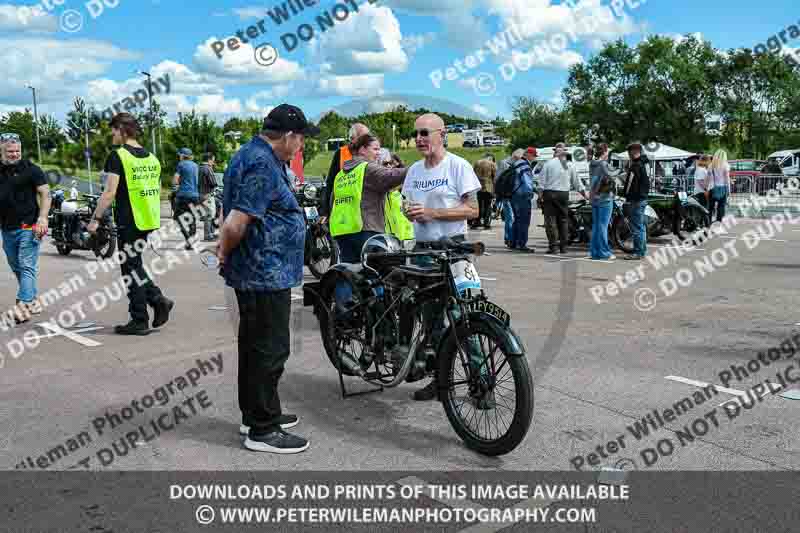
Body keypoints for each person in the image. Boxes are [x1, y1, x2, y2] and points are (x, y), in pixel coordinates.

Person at [216, 104, 320, 454]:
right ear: (289, 136)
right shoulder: (262, 163)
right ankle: (262, 429)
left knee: (255, 347)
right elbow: (235, 222)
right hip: (264, 272)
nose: (301, 146)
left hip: (262, 270)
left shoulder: (254, 154)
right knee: (270, 349)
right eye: (302, 139)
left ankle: (258, 413)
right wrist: (224, 252)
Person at [401, 113, 481, 401]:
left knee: (464, 316)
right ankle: (440, 379)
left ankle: (480, 382)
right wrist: (407, 211)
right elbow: (406, 203)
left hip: (454, 249)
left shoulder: (458, 166)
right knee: (431, 320)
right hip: (423, 251)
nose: (419, 139)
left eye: (425, 133)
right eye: (416, 134)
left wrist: (433, 213)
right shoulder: (413, 171)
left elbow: (473, 210)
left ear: (441, 134)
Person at [89, 113, 174, 334]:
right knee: (134, 264)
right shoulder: (151, 158)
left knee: (130, 269)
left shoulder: (118, 156)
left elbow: (109, 193)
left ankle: (140, 318)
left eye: (114, 131)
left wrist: (95, 219)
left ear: (122, 130)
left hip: (130, 218)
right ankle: (157, 300)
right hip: (148, 218)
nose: (112, 135)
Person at [329, 134, 409, 263]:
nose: (379, 153)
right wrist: (417, 168)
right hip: (366, 229)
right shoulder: (367, 168)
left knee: (350, 273)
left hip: (342, 231)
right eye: (375, 149)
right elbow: (390, 175)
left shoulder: (341, 174)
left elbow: (332, 201)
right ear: (362, 149)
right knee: (373, 273)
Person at [0, 133, 49, 323]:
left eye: (17, 151)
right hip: (7, 228)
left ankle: (24, 305)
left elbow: (45, 194)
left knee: (27, 265)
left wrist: (43, 219)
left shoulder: (31, 169)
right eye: (10, 151)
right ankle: (33, 298)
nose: (14, 154)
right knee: (16, 266)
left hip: (30, 226)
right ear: (2, 150)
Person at [540, 143, 588, 254]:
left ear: (556, 153)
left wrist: (540, 196)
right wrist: (585, 195)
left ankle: (553, 247)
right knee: (563, 220)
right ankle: (563, 247)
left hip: (550, 194)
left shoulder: (548, 164)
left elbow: (541, 184)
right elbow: (577, 183)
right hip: (563, 194)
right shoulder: (569, 165)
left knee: (551, 221)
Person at [322, 123, 370, 221]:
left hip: (366, 210)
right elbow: (331, 182)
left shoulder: (372, 153)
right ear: (352, 138)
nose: (368, 140)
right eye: (364, 137)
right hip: (344, 211)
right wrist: (326, 211)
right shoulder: (341, 153)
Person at [588, 143, 620, 260]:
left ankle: (594, 251)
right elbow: (613, 175)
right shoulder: (603, 164)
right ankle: (604, 252)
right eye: (607, 152)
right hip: (604, 198)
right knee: (603, 226)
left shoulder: (592, 164)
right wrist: (621, 169)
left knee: (596, 225)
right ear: (605, 152)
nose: (608, 154)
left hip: (594, 198)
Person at [621, 142, 651, 260]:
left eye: (629, 152)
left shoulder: (635, 165)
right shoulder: (646, 164)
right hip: (643, 197)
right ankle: (642, 250)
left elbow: (629, 184)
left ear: (633, 152)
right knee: (641, 226)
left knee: (636, 227)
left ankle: (638, 252)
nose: (628, 155)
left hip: (635, 199)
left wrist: (625, 195)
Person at [508, 147, 538, 252]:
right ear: (528, 154)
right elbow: (527, 182)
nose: (534, 158)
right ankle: (522, 244)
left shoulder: (516, 163)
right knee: (524, 221)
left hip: (514, 195)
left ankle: (513, 242)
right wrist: (533, 192)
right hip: (522, 196)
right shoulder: (524, 165)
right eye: (534, 156)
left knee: (517, 219)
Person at [173, 148, 200, 249]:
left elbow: (175, 180)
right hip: (195, 196)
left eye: (179, 155)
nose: (179, 157)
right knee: (192, 219)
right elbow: (197, 181)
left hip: (183, 195)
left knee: (177, 219)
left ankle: (188, 239)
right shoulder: (195, 165)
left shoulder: (181, 164)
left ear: (183, 155)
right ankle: (191, 242)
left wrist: (176, 186)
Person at [497, 149, 522, 247]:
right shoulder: (504, 163)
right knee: (510, 217)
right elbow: (498, 178)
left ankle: (512, 238)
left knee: (512, 217)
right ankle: (509, 238)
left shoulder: (516, 164)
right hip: (506, 195)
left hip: (515, 195)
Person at [706, 149, 731, 226]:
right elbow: (727, 179)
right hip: (723, 188)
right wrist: (729, 190)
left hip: (712, 188)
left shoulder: (711, 165)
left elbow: (708, 178)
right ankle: (718, 223)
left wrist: (707, 187)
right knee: (721, 207)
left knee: (710, 207)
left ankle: (708, 223)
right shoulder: (725, 165)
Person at [471, 154, 496, 229]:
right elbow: (494, 176)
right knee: (488, 205)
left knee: (478, 204)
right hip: (488, 187)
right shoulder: (492, 164)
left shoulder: (477, 163)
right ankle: (486, 223)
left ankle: (476, 221)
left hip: (478, 186)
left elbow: (473, 174)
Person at [198, 153, 219, 242]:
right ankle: (208, 235)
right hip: (207, 194)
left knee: (207, 214)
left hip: (200, 194)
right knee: (209, 214)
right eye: (213, 160)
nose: (213, 162)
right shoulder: (207, 169)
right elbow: (213, 183)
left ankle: (210, 233)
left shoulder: (199, 168)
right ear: (209, 160)